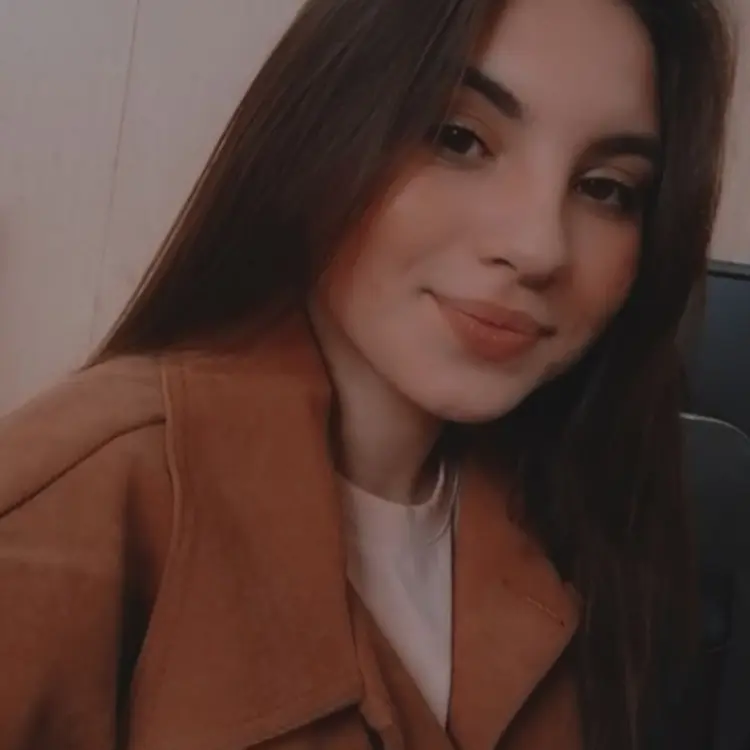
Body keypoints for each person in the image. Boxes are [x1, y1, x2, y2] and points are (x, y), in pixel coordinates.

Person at [0, 0, 735, 747]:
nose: (540, 246)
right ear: (326, 127)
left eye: (606, 188)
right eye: (459, 138)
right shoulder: (79, 502)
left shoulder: (584, 527)